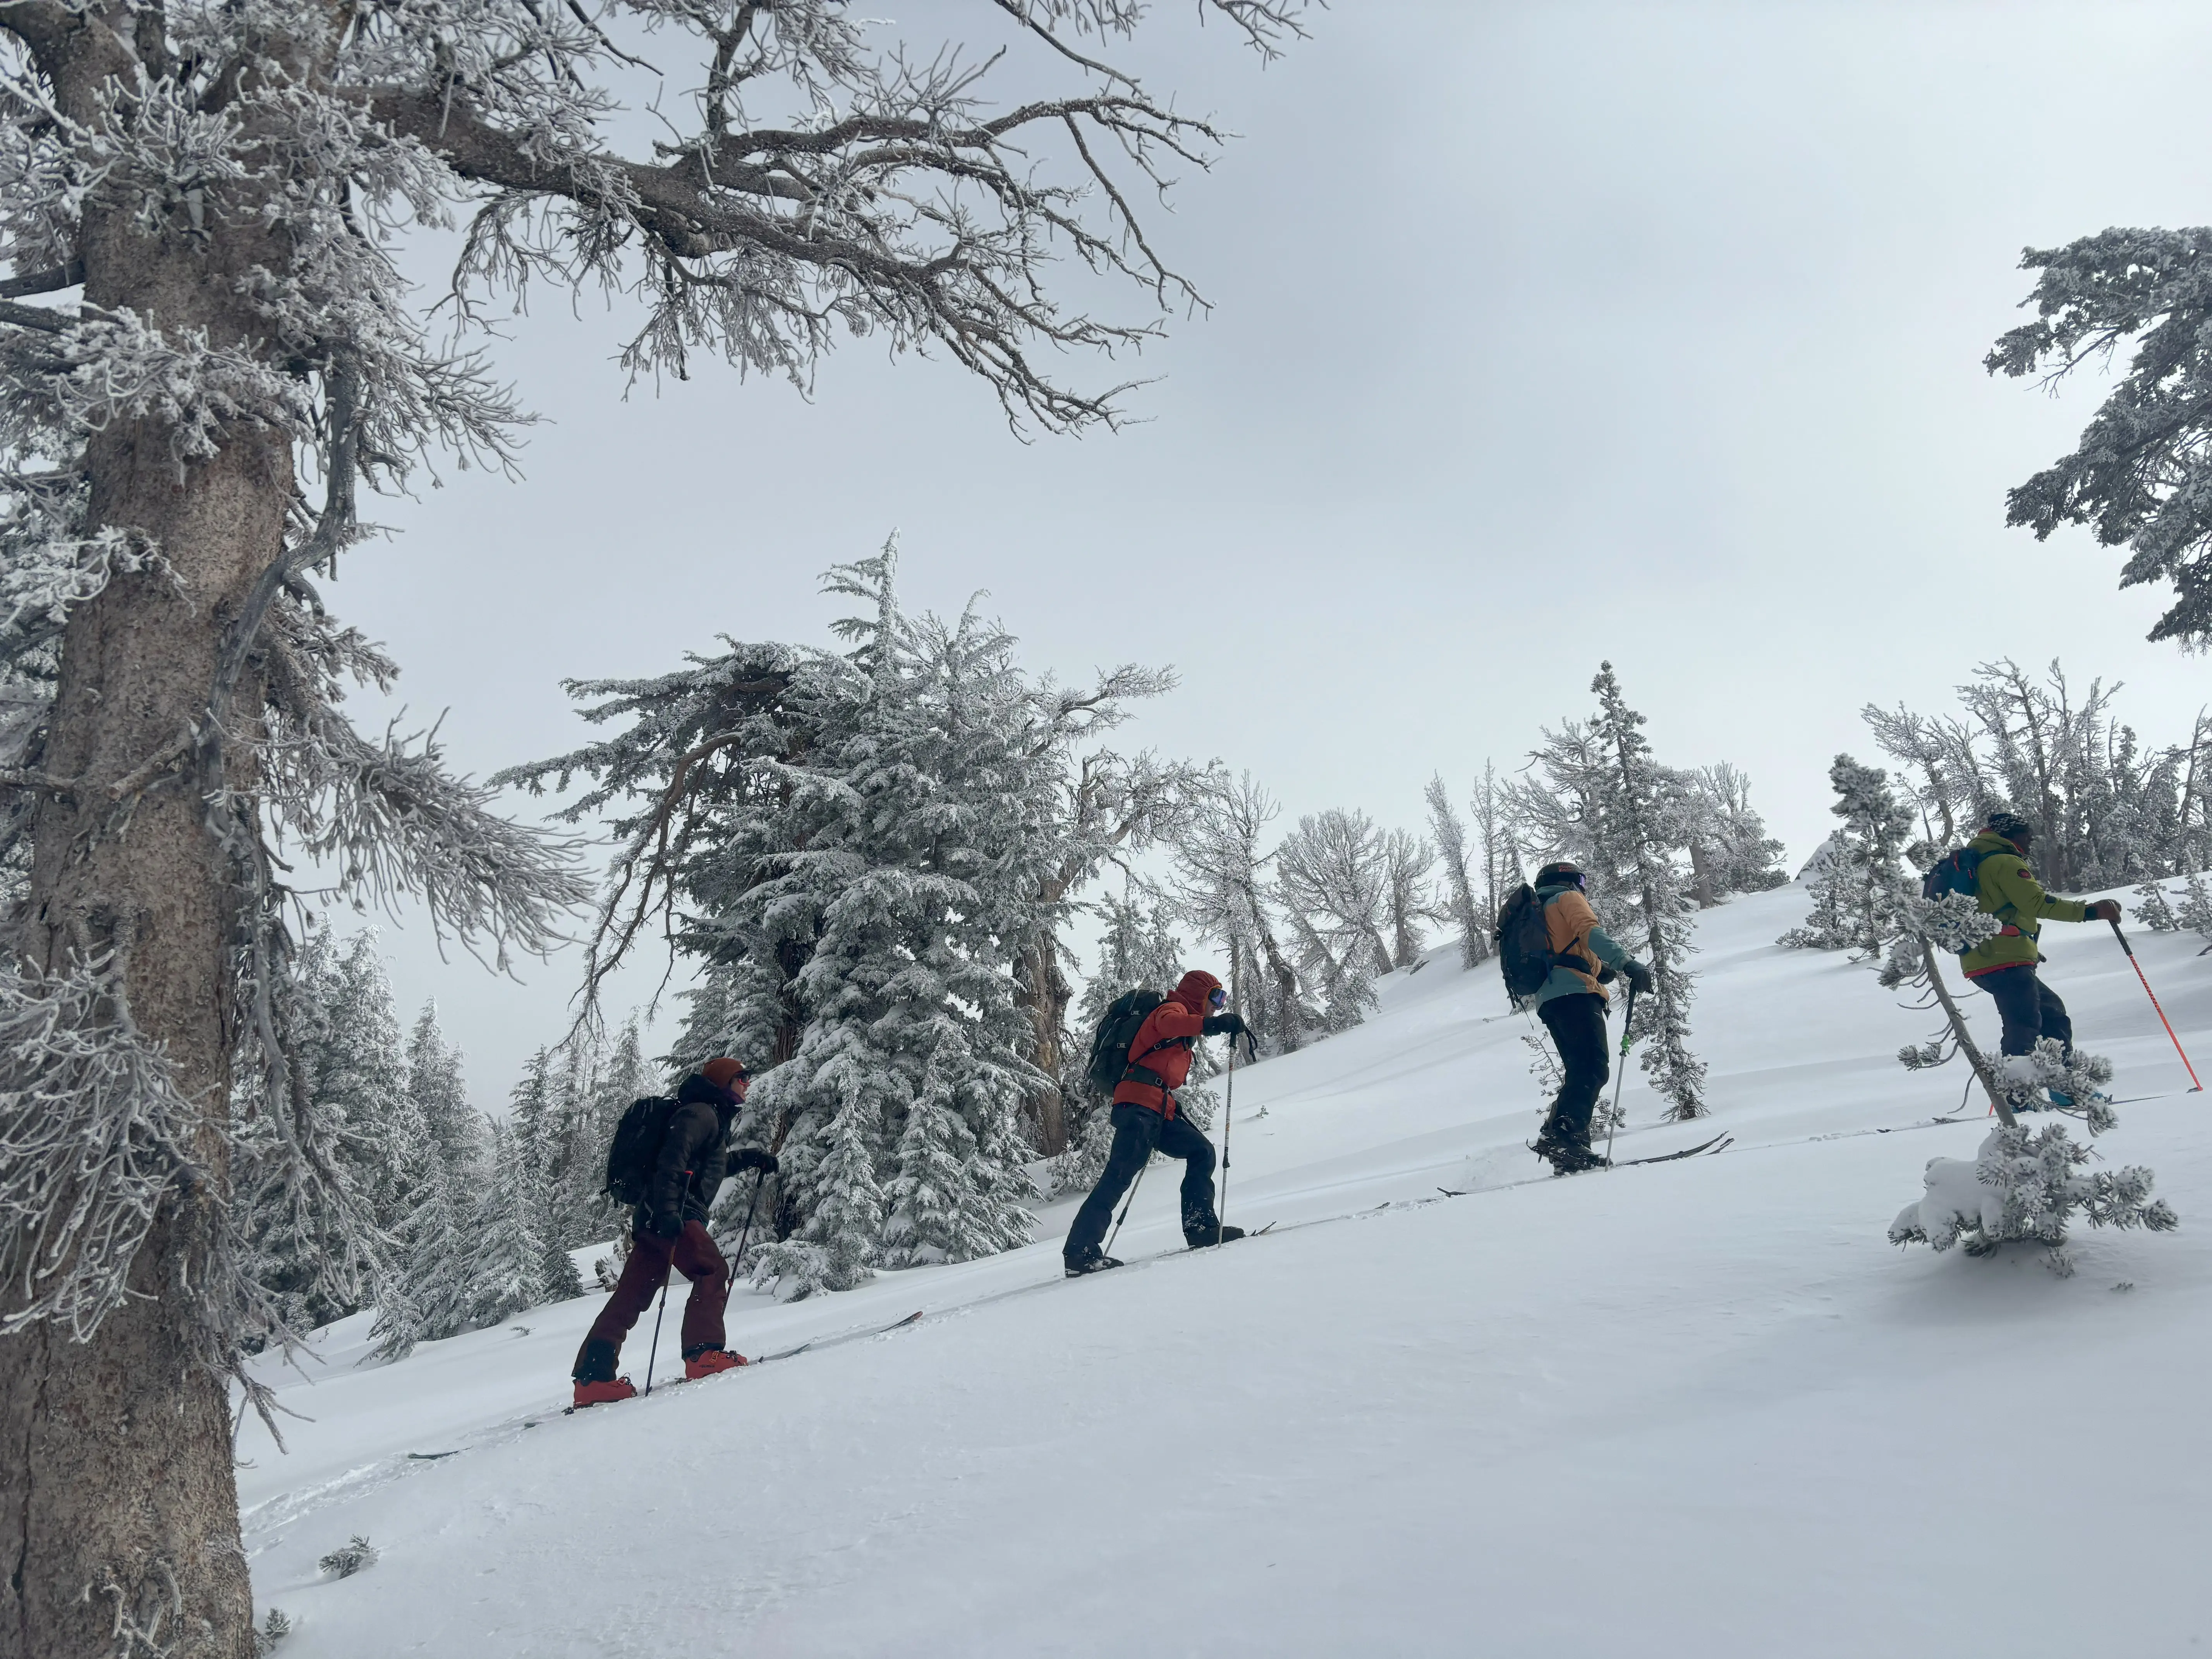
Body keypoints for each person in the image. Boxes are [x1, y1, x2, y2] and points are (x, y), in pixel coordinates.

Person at [570, 1056, 780, 1407]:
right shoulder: (701, 1114)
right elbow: (673, 1161)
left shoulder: (707, 1116)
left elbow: (708, 1166)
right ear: (724, 1081)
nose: (747, 1083)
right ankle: (703, 1356)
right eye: (741, 1078)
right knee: (712, 1269)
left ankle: (593, 1380)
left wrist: (752, 1158)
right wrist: (669, 1211)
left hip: (658, 1215)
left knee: (631, 1297)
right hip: (674, 1213)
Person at [1063, 970, 1256, 1276]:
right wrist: (1213, 1025)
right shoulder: (1173, 1010)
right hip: (1140, 1106)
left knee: (1201, 1152)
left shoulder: (1186, 1029)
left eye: (1222, 1000)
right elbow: (1168, 1023)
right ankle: (1079, 1253)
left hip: (1157, 1107)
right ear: (1199, 995)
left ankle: (1201, 1228)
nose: (1218, 1005)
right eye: (1216, 997)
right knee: (1119, 1176)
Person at [1960, 810, 2121, 1104]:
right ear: (2010, 835)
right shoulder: (2004, 862)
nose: (2032, 840)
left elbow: (2000, 910)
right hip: (2003, 958)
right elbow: (2036, 903)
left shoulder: (1980, 862)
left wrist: (2025, 943)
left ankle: (2062, 1088)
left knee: (2049, 1014)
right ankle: (2019, 1098)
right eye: (2027, 834)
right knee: (2024, 1023)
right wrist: (2091, 912)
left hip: (1986, 958)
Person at [1527, 861, 1654, 1173]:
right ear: (1568, 880)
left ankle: (1567, 1147)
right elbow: (1589, 932)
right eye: (1580, 879)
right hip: (1575, 994)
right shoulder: (1566, 898)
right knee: (1594, 1067)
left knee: (1580, 1069)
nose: (1583, 886)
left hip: (1549, 998)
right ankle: (1564, 1136)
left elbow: (1564, 948)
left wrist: (1600, 969)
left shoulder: (1537, 910)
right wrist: (1627, 964)